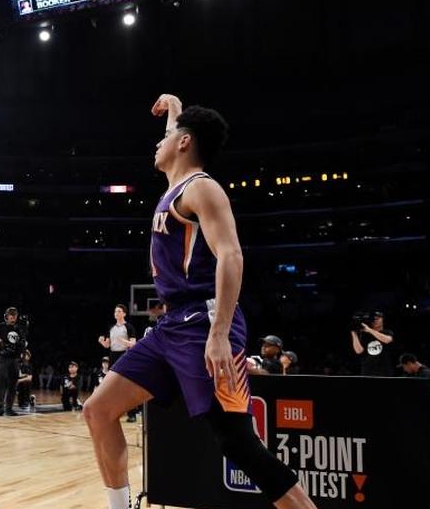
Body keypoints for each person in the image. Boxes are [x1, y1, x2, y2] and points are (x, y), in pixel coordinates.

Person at [82, 95, 317, 509]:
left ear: (185, 142)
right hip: (170, 325)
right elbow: (176, 139)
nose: (158, 143)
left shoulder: (203, 188)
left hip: (204, 323)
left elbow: (231, 255)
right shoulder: (176, 185)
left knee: (239, 444)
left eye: (168, 136)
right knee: (98, 410)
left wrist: (220, 333)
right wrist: (174, 107)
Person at [98, 304, 137, 421]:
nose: (117, 313)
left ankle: (132, 414)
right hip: (113, 355)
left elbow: (133, 344)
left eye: (119, 311)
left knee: (126, 386)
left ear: (124, 314)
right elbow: (107, 345)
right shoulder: (111, 328)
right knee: (113, 385)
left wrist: (123, 341)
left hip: (124, 355)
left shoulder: (129, 327)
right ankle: (114, 413)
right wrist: (102, 342)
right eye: (115, 311)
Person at [0, 306, 27, 416]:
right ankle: (0, 407)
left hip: (14, 359)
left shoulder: (19, 329)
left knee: (13, 385)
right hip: (4, 359)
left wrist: (21, 354)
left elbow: (23, 343)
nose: (13, 318)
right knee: (2, 383)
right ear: (7, 316)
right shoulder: (0, 327)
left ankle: (9, 408)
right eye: (11, 316)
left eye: (14, 316)